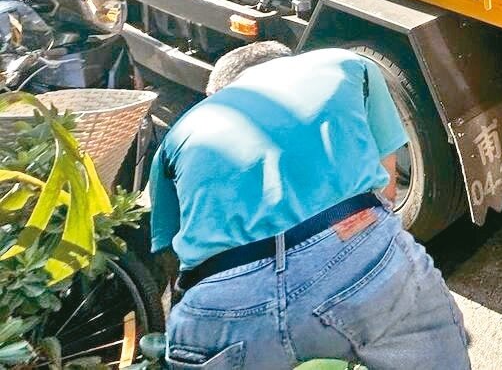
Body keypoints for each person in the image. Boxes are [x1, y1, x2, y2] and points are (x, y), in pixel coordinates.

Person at [150, 42, 471, 370]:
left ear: (217, 94)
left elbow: (170, 262)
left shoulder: (178, 135)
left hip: (219, 300)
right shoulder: (344, 64)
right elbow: (386, 191)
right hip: (349, 251)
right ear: (288, 62)